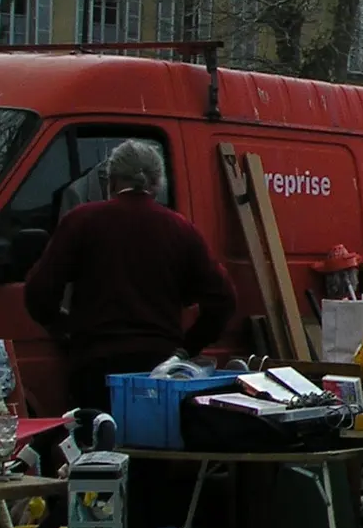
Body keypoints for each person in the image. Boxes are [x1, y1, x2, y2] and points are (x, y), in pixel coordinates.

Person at [23, 139, 236, 412]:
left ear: (110, 181)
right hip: (160, 372)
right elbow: (224, 300)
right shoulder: (181, 229)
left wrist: (65, 329)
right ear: (157, 183)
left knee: (99, 436)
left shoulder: (81, 221)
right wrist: (186, 349)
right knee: (156, 437)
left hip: (95, 367)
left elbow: (38, 293)